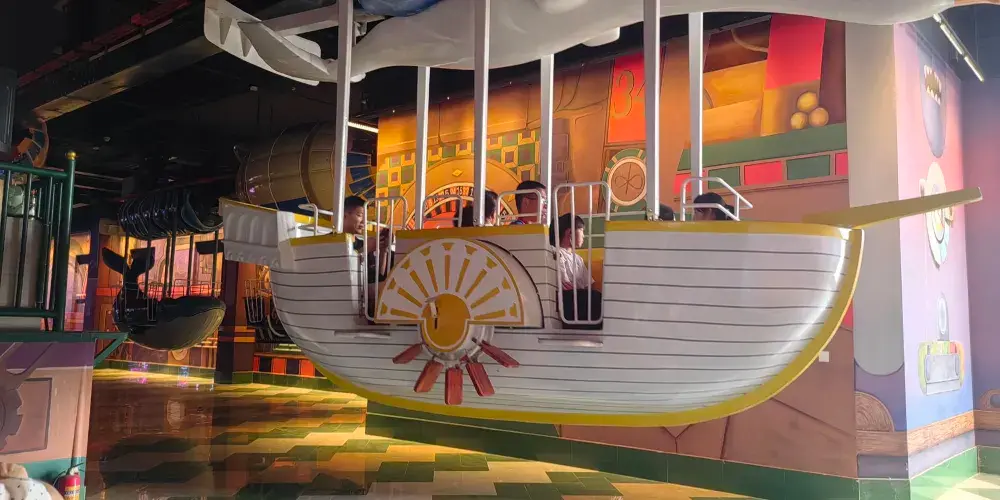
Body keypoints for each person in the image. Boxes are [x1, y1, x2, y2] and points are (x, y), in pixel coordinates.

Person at [550, 213, 602, 327]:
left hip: (578, 298)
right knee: (594, 298)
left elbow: (589, 284)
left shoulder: (578, 259)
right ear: (570, 232)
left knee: (598, 298)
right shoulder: (555, 252)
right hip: (566, 300)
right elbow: (565, 285)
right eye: (582, 231)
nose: (584, 236)